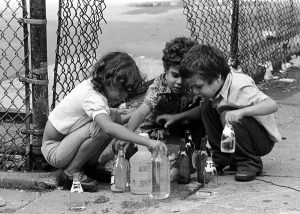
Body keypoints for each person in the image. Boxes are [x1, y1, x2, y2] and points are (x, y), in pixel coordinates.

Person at [41, 52, 167, 191]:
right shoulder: (93, 97)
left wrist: (139, 114)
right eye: (122, 90)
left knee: (110, 116)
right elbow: (109, 128)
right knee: (102, 126)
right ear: (109, 80)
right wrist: (148, 142)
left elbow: (119, 118)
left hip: (66, 143)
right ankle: (71, 172)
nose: (124, 96)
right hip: (54, 150)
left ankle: (89, 167)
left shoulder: (95, 87)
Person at [157, 44, 281, 182]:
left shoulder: (240, 86)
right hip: (239, 134)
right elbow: (201, 112)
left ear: (217, 77)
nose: (195, 92)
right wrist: (177, 117)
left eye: (198, 87)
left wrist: (241, 112)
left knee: (228, 115)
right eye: (192, 87)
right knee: (206, 107)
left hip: (261, 141)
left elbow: (272, 105)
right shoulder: (217, 87)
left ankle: (249, 162)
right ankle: (222, 156)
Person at [120, 37, 204, 152]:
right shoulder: (159, 86)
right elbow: (142, 111)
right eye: (174, 75)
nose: (179, 82)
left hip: (177, 123)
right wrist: (127, 136)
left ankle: (197, 149)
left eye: (185, 77)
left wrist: (176, 117)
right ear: (166, 70)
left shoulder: (193, 83)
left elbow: (203, 108)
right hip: (155, 131)